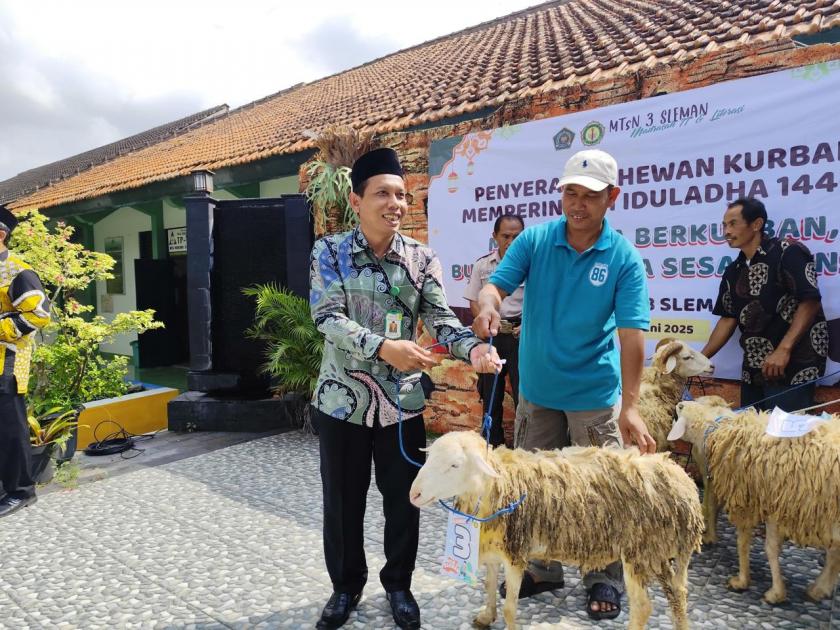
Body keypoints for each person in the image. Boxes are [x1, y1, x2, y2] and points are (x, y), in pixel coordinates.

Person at [309, 148, 500, 630]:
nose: (395, 203)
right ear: (356, 200)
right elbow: (326, 318)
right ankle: (345, 588)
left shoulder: (421, 258)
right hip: (341, 403)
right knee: (343, 502)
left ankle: (399, 586)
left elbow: (438, 320)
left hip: (401, 406)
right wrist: (383, 348)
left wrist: (473, 349)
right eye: (382, 194)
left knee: (405, 500)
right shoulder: (329, 252)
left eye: (401, 194)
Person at [473, 149, 654, 621]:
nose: (577, 204)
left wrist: (630, 407)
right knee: (532, 488)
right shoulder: (534, 240)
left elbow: (633, 335)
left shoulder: (623, 258)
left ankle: (603, 576)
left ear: (611, 197)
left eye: (590, 196)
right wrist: (489, 304)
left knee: (601, 492)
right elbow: (497, 284)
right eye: (570, 192)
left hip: (594, 398)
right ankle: (544, 568)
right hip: (536, 392)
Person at [702, 197, 827, 411]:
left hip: (792, 364)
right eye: (724, 225)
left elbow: (810, 300)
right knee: (752, 435)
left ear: (757, 224)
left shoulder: (788, 251)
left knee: (783, 440)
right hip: (753, 367)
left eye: (733, 224)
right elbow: (727, 319)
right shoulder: (734, 270)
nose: (726, 231)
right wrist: (700, 359)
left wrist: (784, 349)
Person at [0, 205, 51, 518]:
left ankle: (21, 490)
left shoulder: (19, 271)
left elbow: (39, 315)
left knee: (10, 428)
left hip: (7, 363)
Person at [464, 214, 525, 446]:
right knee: (491, 394)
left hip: (522, 338)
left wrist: (527, 323)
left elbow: (540, 300)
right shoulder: (483, 265)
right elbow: (473, 300)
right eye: (506, 236)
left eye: (517, 236)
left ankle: (523, 450)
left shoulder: (530, 266)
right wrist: (484, 319)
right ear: (495, 237)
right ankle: (492, 445)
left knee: (524, 397)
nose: (511, 241)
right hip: (493, 338)